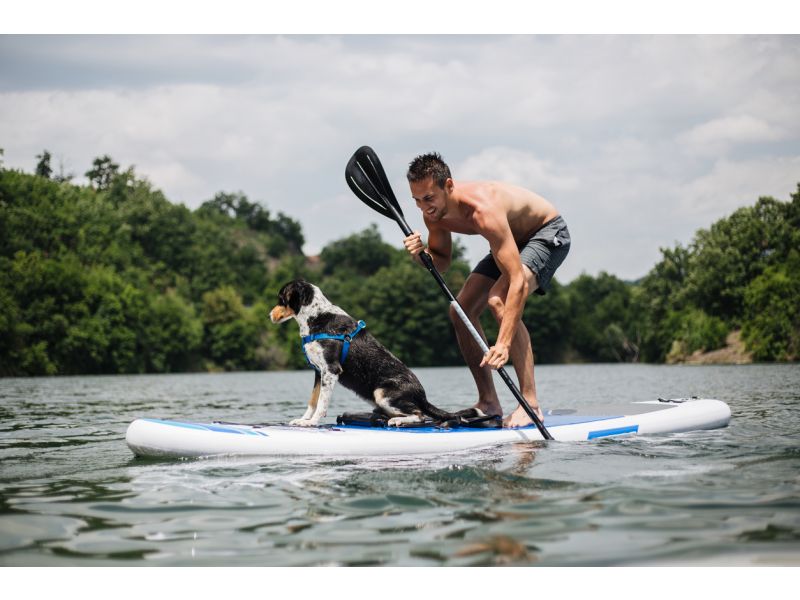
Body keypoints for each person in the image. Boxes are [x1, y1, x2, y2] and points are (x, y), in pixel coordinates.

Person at [403, 152, 570, 427]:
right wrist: (421, 255)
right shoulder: (433, 215)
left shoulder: (483, 210)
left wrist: (502, 343)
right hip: (509, 240)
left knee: (498, 299)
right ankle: (489, 402)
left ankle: (530, 403)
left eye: (429, 198)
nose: (424, 208)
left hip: (546, 234)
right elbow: (441, 262)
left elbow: (516, 281)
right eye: (417, 200)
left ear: (449, 186)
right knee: (460, 311)